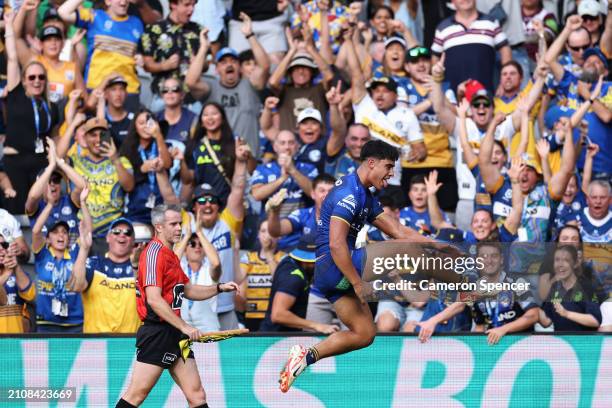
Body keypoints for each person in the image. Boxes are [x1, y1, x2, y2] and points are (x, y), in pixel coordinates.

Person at [279, 140, 456, 392]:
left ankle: (305, 356)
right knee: (402, 251)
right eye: (388, 166)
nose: (391, 174)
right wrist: (357, 283)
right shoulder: (349, 194)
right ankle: (458, 283)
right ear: (371, 163)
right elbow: (336, 245)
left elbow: (397, 230)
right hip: (338, 265)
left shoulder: (365, 195)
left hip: (330, 277)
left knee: (365, 334)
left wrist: (436, 244)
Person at [116, 204, 238, 408]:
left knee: (197, 395)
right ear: (159, 227)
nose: (179, 228)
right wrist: (185, 327)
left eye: (180, 223)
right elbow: (154, 300)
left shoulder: (170, 255)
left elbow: (187, 290)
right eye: (173, 224)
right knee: (136, 395)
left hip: (174, 331)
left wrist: (218, 288)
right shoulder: (154, 253)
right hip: (158, 331)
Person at [3, 11, 61, 214]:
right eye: (32, 77)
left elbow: (54, 137)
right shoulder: (16, 94)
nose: (36, 81)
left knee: (40, 212)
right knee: (16, 213)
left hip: (39, 164)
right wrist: (9, 28)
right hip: (15, 162)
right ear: (25, 79)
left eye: (41, 77)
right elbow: (12, 58)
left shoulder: (51, 106)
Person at [186, 14, 270, 153]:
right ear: (217, 69)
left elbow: (265, 66)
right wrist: (203, 48)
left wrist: (250, 35)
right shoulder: (211, 87)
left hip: (250, 159)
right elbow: (190, 82)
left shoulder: (251, 85)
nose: (229, 65)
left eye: (233, 61)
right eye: (223, 62)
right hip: (221, 161)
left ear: (240, 67)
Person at [58, 0, 144, 111]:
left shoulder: (137, 23)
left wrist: (141, 58)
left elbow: (141, 54)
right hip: (97, 89)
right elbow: (63, 12)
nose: (124, 3)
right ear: (108, 1)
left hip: (129, 90)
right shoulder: (94, 16)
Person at [402, 45, 458, 213]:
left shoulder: (445, 86)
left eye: (424, 60)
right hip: (412, 163)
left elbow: (456, 114)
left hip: (442, 162)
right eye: (414, 62)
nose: (421, 65)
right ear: (406, 67)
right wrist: (431, 100)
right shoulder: (402, 86)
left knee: (447, 213)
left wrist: (437, 88)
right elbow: (402, 117)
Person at [67, 117, 134, 251]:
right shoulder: (75, 161)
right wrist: (72, 125)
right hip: (82, 231)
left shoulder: (122, 161)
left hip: (112, 232)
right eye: (93, 135)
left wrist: (115, 159)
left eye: (102, 135)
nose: (98, 140)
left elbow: (129, 186)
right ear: (85, 138)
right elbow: (56, 157)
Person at [31, 186, 91, 333]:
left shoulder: (75, 253)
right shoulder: (42, 255)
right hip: (46, 323)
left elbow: (88, 231)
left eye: (64, 232)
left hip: (75, 323)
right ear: (48, 239)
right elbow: (35, 231)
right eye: (55, 232)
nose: (61, 236)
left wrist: (82, 202)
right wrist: (50, 205)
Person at [70, 216, 142, 333]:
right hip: (96, 344)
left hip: (130, 343)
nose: (122, 235)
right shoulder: (94, 263)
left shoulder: (140, 267)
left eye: (127, 233)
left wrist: (137, 267)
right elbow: (75, 286)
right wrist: (84, 249)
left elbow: (148, 299)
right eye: (116, 232)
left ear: (133, 240)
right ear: (108, 237)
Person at [260, 234, 339, 333]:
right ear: (306, 260)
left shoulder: (288, 261)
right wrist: (316, 325)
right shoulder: (294, 278)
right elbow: (278, 315)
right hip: (276, 340)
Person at [182, 102, 255, 205]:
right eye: (206, 115)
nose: (210, 118)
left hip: (230, 204)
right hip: (204, 204)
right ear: (201, 121)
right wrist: (181, 161)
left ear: (223, 118)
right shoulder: (194, 146)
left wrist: (248, 155)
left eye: (214, 114)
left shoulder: (235, 143)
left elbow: (250, 170)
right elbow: (188, 179)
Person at [13, 0, 85, 104]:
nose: (53, 25)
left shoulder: (73, 49)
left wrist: (72, 46)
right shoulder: (34, 60)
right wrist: (23, 10)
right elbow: (16, 38)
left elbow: (82, 96)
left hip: (66, 117)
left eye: (57, 21)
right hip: (41, 114)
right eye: (48, 39)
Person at [431, 0, 511, 93]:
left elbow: (505, 49)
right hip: (453, 97)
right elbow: (435, 56)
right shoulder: (442, 27)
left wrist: (503, 83)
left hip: (485, 97)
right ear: (453, 1)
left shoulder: (491, 22)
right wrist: (439, 87)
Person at [268, 23, 333, 132]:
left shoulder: (319, 89)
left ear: (312, 71)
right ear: (290, 72)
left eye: (305, 67)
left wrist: (311, 49)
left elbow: (329, 75)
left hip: (317, 146)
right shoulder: (284, 91)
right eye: (296, 67)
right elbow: (273, 82)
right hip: (289, 145)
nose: (301, 71)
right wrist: (292, 51)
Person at [471, 242, 539, 345]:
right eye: (484, 256)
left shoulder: (516, 282)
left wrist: (503, 329)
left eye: (494, 256)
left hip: (522, 347)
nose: (489, 261)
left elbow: (533, 315)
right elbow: (480, 326)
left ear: (501, 259)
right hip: (495, 349)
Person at [139, 0, 200, 111]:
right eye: (187, 5)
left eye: (193, 5)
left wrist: (199, 62)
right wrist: (164, 66)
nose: (191, 9)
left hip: (191, 99)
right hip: (162, 98)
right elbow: (147, 65)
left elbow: (208, 64)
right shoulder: (153, 30)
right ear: (173, 4)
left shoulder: (198, 30)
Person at [25, 138, 86, 246]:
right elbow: (33, 196)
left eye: (56, 180)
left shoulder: (68, 201)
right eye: (48, 181)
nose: (53, 184)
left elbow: (82, 186)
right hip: (46, 259)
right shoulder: (36, 206)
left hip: (71, 259)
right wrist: (51, 166)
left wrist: (59, 161)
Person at [119, 110, 172, 224]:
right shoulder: (127, 150)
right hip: (136, 210)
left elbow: (167, 164)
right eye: (141, 123)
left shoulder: (163, 145)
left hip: (162, 209)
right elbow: (127, 184)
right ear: (135, 127)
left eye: (149, 122)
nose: (146, 126)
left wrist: (158, 135)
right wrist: (142, 169)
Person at [251, 130, 318, 217]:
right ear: (275, 147)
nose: (287, 147)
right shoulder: (263, 169)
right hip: (271, 225)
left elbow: (315, 193)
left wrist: (293, 171)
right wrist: (281, 179)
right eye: (282, 143)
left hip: (301, 226)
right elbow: (257, 195)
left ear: (297, 146)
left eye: (291, 143)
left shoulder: (309, 168)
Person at [174, 213, 222, 332]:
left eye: (201, 245)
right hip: (182, 326)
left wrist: (199, 232)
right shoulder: (180, 268)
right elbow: (170, 262)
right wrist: (187, 236)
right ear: (185, 250)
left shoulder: (208, 270)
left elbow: (216, 263)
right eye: (192, 244)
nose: (197, 247)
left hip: (208, 327)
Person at [539, 245, 602, 331]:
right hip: (561, 342)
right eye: (557, 260)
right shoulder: (554, 288)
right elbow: (546, 322)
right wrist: (532, 305)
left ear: (575, 264)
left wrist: (566, 313)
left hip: (584, 342)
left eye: (566, 260)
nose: (560, 265)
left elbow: (595, 321)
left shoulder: (586, 287)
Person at [266, 173, 335, 250]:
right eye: (322, 191)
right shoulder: (303, 214)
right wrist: (275, 212)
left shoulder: (347, 215)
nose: (327, 195)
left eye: (331, 191)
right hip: (307, 258)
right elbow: (276, 231)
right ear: (313, 194)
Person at [239, 220, 284, 332]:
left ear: (279, 236)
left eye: (271, 232)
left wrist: (268, 252)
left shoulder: (284, 258)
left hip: (273, 315)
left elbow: (279, 281)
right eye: (263, 231)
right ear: (258, 235)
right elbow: (238, 280)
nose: (267, 235)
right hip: (251, 315)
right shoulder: (248, 258)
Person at [0, 233, 36, 333]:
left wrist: (16, 267)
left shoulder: (16, 273)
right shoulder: (8, 273)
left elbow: (31, 295)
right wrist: (6, 274)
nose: (1, 249)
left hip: (15, 343)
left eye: (4, 245)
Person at [155, 77, 197, 143]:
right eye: (165, 90)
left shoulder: (193, 119)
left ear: (182, 95)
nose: (170, 92)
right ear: (162, 95)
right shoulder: (155, 119)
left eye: (175, 89)